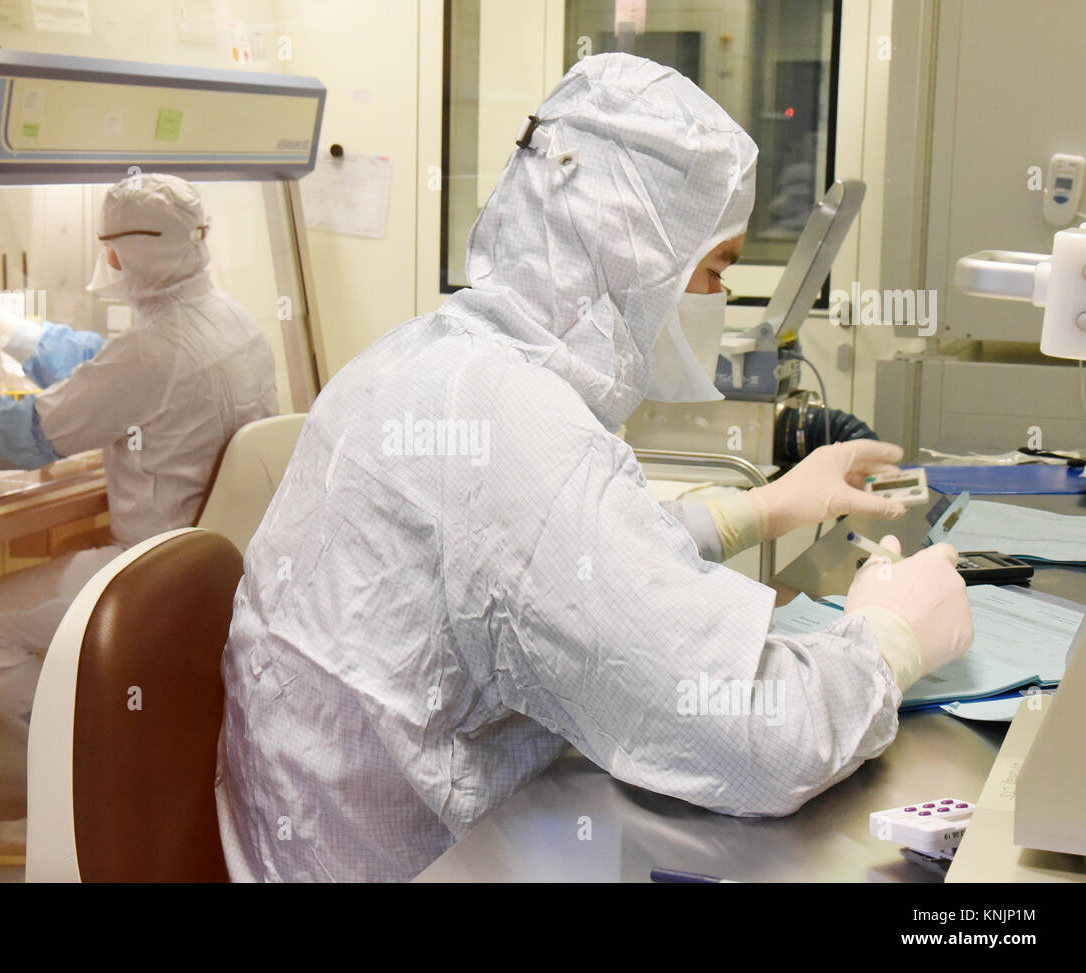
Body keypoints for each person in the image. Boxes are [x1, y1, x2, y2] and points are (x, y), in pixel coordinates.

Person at [215, 54, 974, 882]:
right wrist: (887, 641)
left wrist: (758, 510)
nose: (720, 299)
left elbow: (572, 562)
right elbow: (760, 739)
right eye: (715, 270)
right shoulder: (509, 423)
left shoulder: (432, 357)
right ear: (633, 251)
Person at [0, 173, 278, 861]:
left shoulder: (156, 349)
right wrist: (7, 328)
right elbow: (104, 370)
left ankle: (75, 787)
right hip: (219, 576)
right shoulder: (234, 324)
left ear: (119, 255)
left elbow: (29, 432)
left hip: (150, 577)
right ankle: (97, 769)